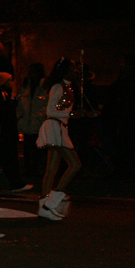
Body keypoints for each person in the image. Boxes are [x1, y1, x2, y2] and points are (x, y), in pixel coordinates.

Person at [36, 58, 82, 220]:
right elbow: (50, 111)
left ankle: (43, 206)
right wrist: (71, 114)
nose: (75, 71)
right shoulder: (57, 87)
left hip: (59, 126)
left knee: (52, 168)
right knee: (75, 164)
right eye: (72, 68)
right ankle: (53, 201)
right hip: (55, 126)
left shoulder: (67, 87)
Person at [16, 62, 48, 176]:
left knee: (37, 148)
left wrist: (40, 116)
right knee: (27, 147)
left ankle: (36, 169)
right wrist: (19, 116)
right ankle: (28, 169)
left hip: (38, 122)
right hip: (26, 122)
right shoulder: (26, 86)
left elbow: (46, 103)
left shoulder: (44, 86)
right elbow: (20, 103)